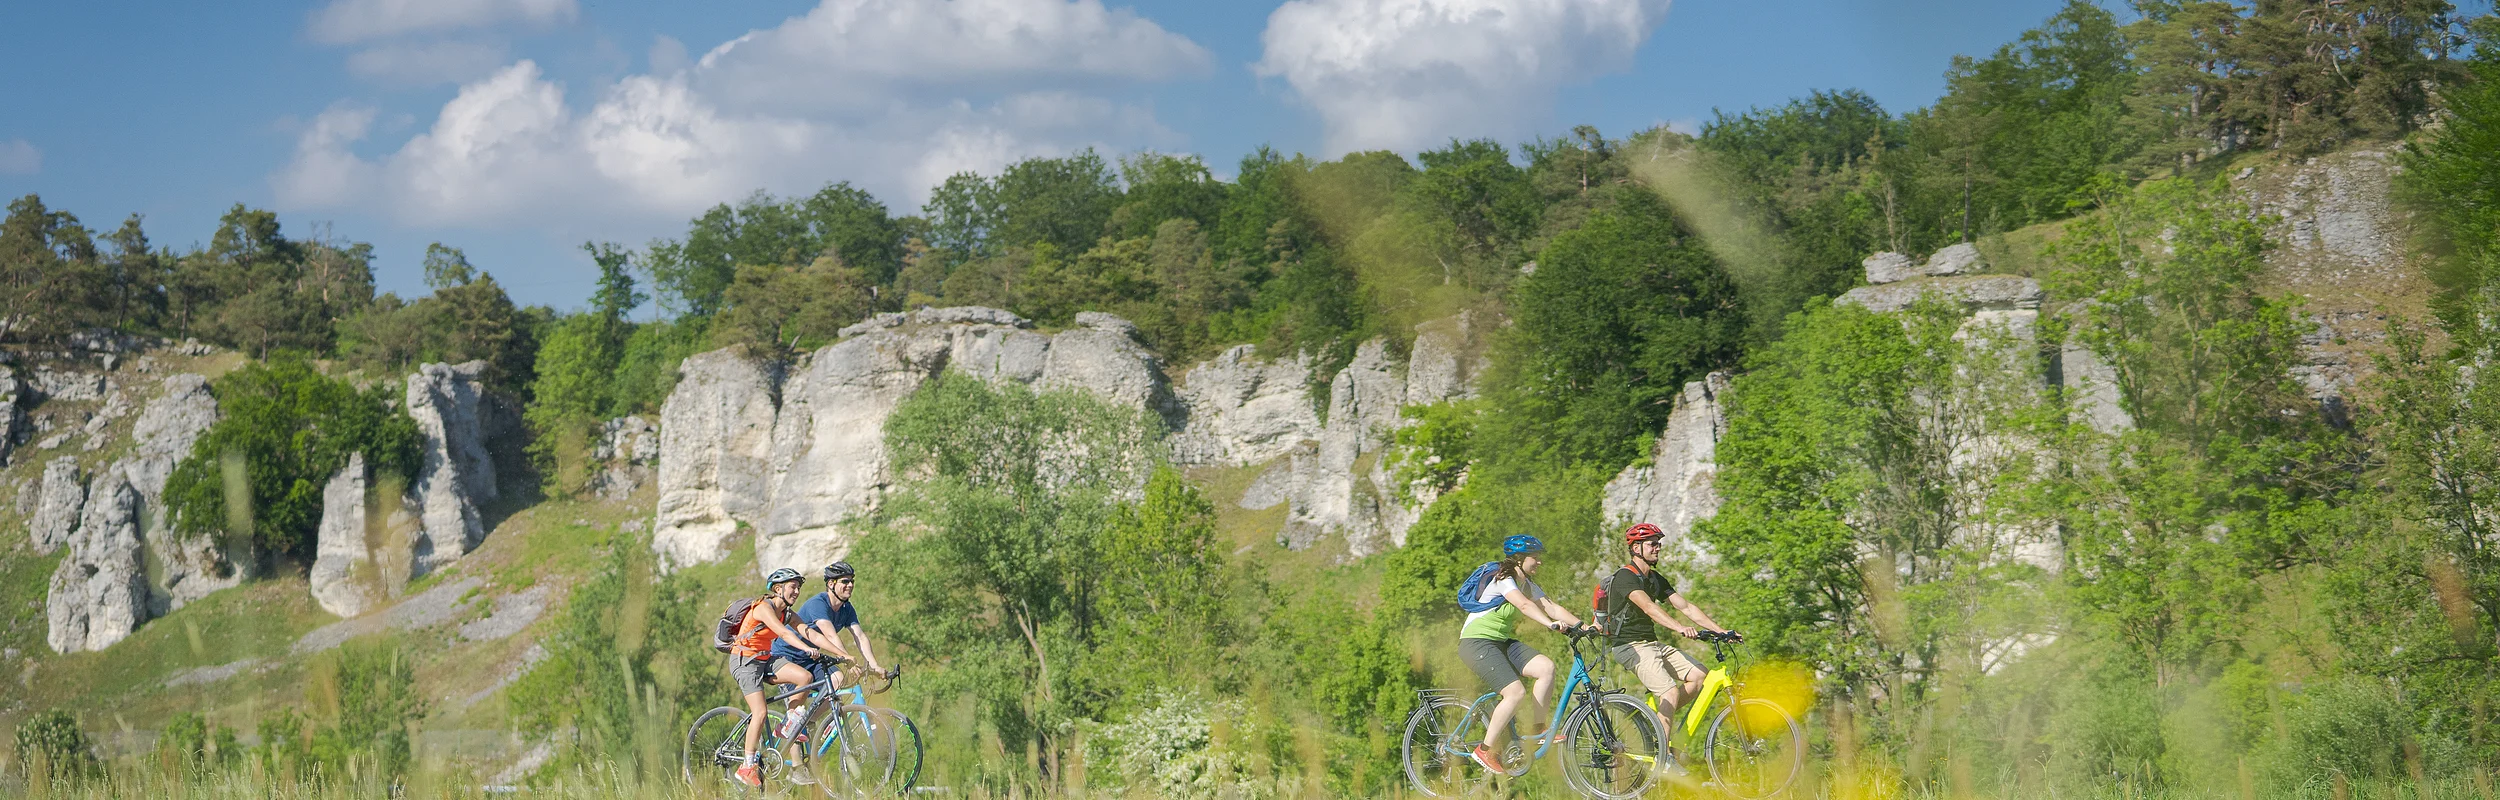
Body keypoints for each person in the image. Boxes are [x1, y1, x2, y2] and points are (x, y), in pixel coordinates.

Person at [1604, 523, 1740, 756]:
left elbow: (1685, 606)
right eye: (1652, 544)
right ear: (1636, 548)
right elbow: (1648, 607)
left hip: (1651, 644)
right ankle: (1662, 757)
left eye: (1659, 544)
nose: (1658, 548)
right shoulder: (1625, 577)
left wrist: (1721, 631)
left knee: (1699, 676)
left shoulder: (1655, 579)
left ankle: (1657, 722)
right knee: (1670, 692)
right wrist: (1679, 628)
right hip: (1629, 646)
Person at [1461, 534, 1583, 773]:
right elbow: (1525, 606)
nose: (1539, 562)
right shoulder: (1504, 578)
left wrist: (1583, 626)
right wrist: (1549, 624)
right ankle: (1485, 750)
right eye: (1534, 558)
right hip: (1476, 642)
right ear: (1519, 559)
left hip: (1501, 641)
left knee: (1545, 668)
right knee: (1515, 692)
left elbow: (1552, 607)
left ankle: (1537, 730)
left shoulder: (1527, 583)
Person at [727, 567, 827, 787]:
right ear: (778, 588)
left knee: (805, 677)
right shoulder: (763, 607)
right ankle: (747, 766)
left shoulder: (787, 613)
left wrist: (841, 654)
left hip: (765, 659)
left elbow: (808, 632)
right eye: (793, 587)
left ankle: (788, 726)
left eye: (799, 587)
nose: (797, 592)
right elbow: (783, 633)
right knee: (760, 712)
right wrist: (806, 649)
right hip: (745, 661)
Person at [772, 560, 895, 691]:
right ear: (831, 584)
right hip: (785, 656)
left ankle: (818, 713)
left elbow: (860, 636)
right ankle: (796, 711)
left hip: (809, 657)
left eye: (852, 581)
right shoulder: (818, 604)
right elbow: (831, 635)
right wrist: (847, 660)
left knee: (837, 680)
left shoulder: (846, 608)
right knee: (797, 706)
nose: (850, 585)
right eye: (845, 581)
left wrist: (874, 665)